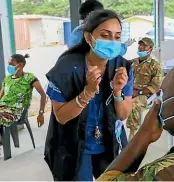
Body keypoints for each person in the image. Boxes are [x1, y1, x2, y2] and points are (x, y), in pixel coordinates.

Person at [44, 10, 134, 181]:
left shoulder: (123, 68)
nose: (112, 42)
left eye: (117, 37)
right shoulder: (66, 68)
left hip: (109, 140)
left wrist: (117, 91)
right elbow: (61, 116)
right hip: (75, 143)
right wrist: (88, 92)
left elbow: (123, 114)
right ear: (88, 37)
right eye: (105, 36)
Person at [126, 37, 162, 140]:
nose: (140, 47)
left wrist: (138, 92)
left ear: (150, 49)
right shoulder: (133, 62)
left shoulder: (155, 65)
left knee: (133, 104)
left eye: (144, 45)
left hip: (146, 95)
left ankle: (133, 134)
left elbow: (156, 86)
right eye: (140, 45)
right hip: (130, 91)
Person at [0, 54, 46, 130]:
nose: (9, 67)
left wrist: (41, 113)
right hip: (2, 108)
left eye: (11, 64)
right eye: (9, 64)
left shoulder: (29, 78)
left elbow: (43, 95)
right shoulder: (7, 79)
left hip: (16, 110)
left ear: (20, 65)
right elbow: (1, 96)